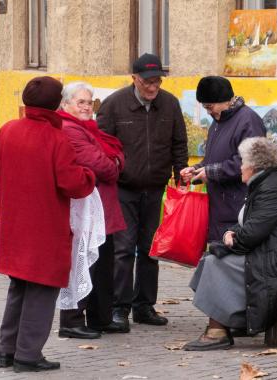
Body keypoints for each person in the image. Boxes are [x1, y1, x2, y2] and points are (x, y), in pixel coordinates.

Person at [0, 76, 95, 372]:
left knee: (18, 287)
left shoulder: (8, 130)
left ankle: (7, 351)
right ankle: (27, 355)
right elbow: (73, 184)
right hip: (45, 227)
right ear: (56, 104)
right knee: (42, 290)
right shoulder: (56, 138)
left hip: (14, 226)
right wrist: (88, 176)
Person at [184, 137, 277, 351]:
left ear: (253, 166)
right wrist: (230, 234)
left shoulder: (273, 188)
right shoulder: (266, 183)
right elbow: (249, 225)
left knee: (217, 262)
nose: (240, 167)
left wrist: (231, 238)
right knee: (211, 259)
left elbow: (251, 234)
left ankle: (217, 332)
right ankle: (231, 320)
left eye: (242, 162)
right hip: (270, 253)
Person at [97, 53, 188, 330]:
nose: (153, 87)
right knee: (123, 249)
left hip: (155, 187)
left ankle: (144, 306)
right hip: (123, 188)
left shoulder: (170, 104)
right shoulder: (114, 105)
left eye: (157, 81)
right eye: (148, 81)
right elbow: (101, 145)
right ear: (134, 79)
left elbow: (179, 143)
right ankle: (119, 308)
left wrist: (180, 174)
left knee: (151, 249)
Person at [57, 82, 128, 339]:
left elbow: (115, 159)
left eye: (90, 102)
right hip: (84, 209)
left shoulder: (89, 129)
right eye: (81, 103)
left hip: (100, 207)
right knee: (83, 263)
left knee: (103, 263)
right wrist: (115, 162)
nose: (87, 107)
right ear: (66, 105)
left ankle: (100, 317)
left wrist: (115, 161)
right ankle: (72, 321)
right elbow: (104, 166)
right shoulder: (70, 130)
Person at [180, 76, 266, 242]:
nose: (208, 112)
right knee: (217, 262)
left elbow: (251, 161)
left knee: (231, 263)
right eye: (205, 107)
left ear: (224, 100)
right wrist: (196, 170)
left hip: (238, 209)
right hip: (219, 209)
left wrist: (210, 172)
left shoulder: (248, 120)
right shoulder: (217, 122)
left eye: (209, 106)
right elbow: (212, 159)